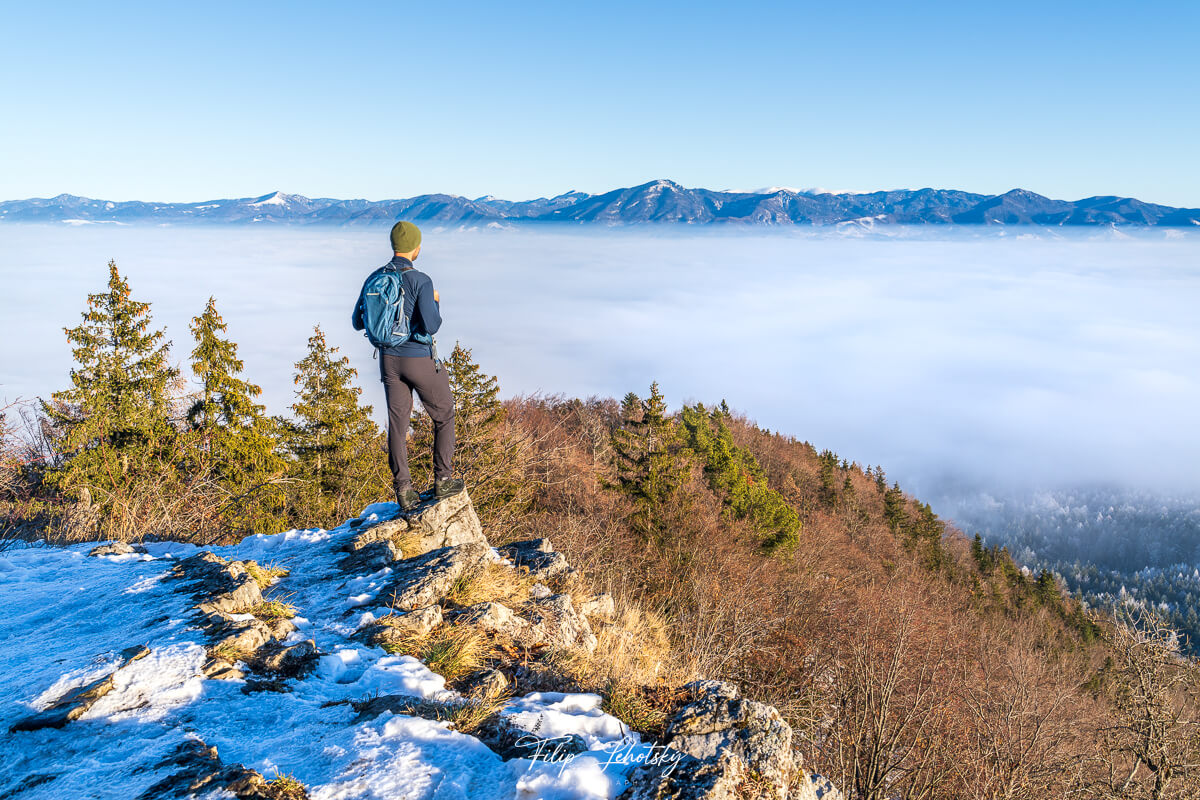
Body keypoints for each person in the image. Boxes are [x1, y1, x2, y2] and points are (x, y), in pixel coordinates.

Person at [352, 220, 463, 510]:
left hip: (388, 362)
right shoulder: (421, 280)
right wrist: (436, 302)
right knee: (444, 415)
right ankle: (443, 480)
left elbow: (356, 322)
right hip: (418, 360)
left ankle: (403, 490)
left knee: (398, 425)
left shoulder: (374, 277)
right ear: (416, 248)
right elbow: (432, 325)